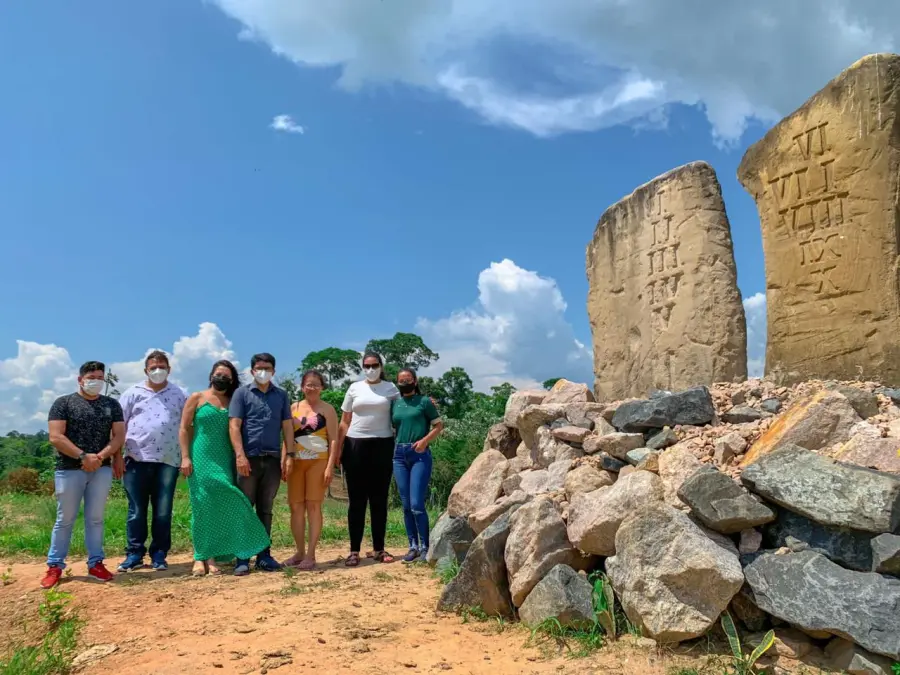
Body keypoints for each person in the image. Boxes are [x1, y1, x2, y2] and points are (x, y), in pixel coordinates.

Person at [180, 360, 270, 577]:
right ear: (211, 375)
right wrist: (185, 457)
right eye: (218, 373)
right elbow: (184, 428)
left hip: (226, 459)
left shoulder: (234, 400)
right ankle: (202, 557)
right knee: (202, 506)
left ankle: (226, 550)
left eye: (227, 376)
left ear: (232, 380)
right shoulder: (197, 398)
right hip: (201, 457)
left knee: (229, 502)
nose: (222, 378)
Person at [41, 361, 126, 588]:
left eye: (100, 377)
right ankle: (55, 565)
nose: (96, 381)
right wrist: (83, 456)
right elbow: (56, 436)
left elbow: (118, 436)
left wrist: (100, 456)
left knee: (96, 519)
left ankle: (96, 563)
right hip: (69, 469)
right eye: (91, 377)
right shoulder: (63, 403)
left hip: (101, 469)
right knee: (65, 519)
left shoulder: (111, 404)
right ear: (80, 379)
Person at [117, 350, 187, 572]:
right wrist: (116, 456)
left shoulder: (180, 394)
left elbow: (187, 427)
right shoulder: (132, 393)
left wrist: (186, 456)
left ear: (169, 369)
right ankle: (134, 554)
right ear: (145, 370)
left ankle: (159, 553)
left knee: (163, 510)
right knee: (136, 510)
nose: (158, 370)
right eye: (153, 367)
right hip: (135, 459)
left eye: (162, 366)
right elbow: (119, 426)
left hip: (168, 460)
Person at [228, 353, 295, 572]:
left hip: (273, 459)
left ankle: (264, 555)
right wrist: (240, 455)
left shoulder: (281, 395)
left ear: (273, 371)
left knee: (266, 509)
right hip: (248, 459)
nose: (263, 371)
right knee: (245, 507)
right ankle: (242, 557)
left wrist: (289, 455)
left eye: (267, 368)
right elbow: (234, 425)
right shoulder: (242, 394)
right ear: (252, 371)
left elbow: (287, 426)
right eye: (259, 368)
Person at [336, 351, 400, 567]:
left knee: (379, 500)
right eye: (366, 365)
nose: (370, 369)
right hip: (355, 445)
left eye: (374, 365)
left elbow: (401, 413)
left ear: (381, 366)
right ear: (362, 367)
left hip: (382, 444)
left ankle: (379, 549)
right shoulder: (354, 388)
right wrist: (338, 451)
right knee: (356, 501)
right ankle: (354, 551)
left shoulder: (391, 389)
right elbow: (344, 421)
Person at [284, 370, 339, 570]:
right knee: (296, 507)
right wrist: (286, 459)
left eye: (316, 384)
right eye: (308, 384)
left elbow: (333, 438)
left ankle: (311, 554)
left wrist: (330, 465)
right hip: (296, 462)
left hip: (318, 461)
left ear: (322, 387)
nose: (312, 388)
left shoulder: (328, 410)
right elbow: (287, 435)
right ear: (302, 386)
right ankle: (299, 551)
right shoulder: (294, 407)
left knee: (313, 506)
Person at [392, 367, 443, 563]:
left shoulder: (424, 402)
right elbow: (394, 426)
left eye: (408, 379)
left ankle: (425, 546)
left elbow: (439, 425)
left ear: (415, 380)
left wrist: (425, 441)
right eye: (401, 380)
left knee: (416, 504)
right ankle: (412, 546)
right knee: (405, 505)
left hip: (419, 454)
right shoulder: (395, 404)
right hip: (398, 455)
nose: (405, 382)